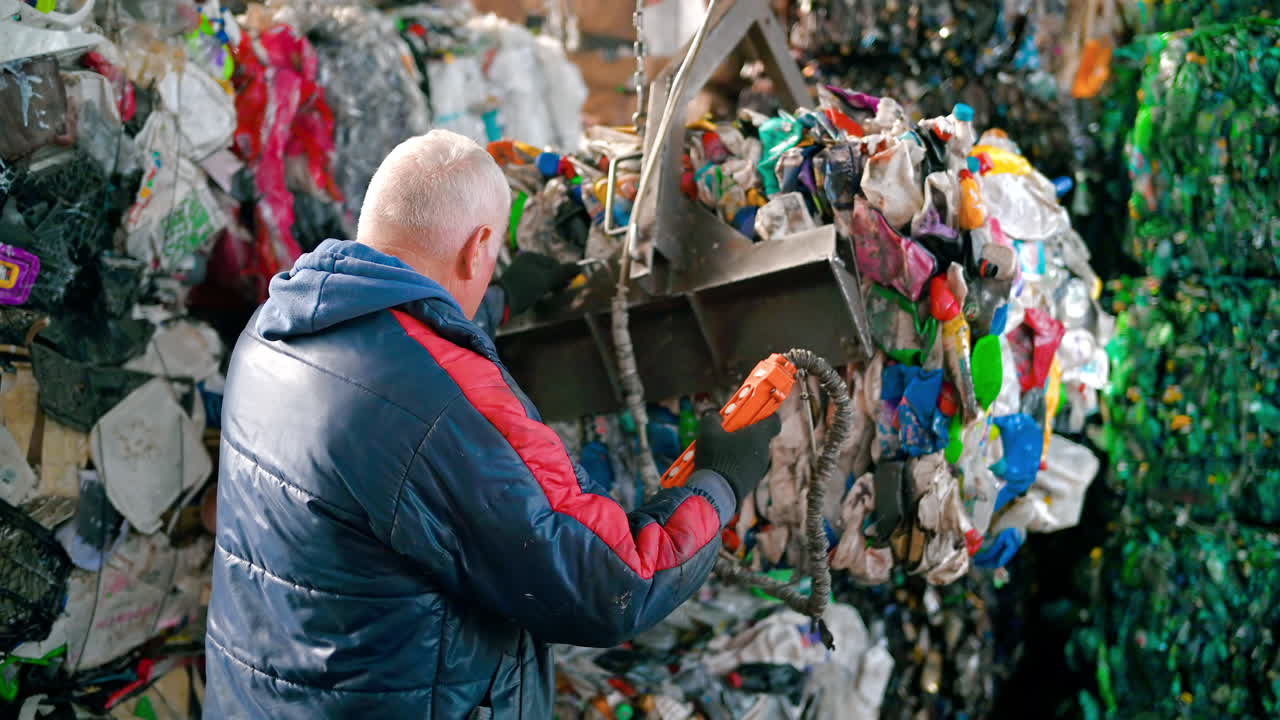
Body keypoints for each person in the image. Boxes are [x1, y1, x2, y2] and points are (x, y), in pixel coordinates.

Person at [204, 129, 781, 719]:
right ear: (478, 246)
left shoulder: (277, 328)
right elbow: (614, 583)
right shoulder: (447, 406)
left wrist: (492, 302)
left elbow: (389, 376)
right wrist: (720, 479)